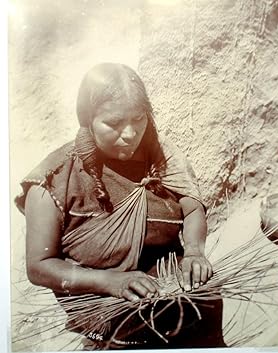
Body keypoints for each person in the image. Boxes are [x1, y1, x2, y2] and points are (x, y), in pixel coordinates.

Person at [15, 63, 225, 350]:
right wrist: (110, 282)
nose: (129, 133)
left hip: (182, 301)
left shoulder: (160, 154)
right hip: (112, 314)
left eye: (138, 119)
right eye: (113, 124)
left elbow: (192, 208)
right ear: (88, 119)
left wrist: (194, 252)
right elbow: (39, 267)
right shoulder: (54, 179)